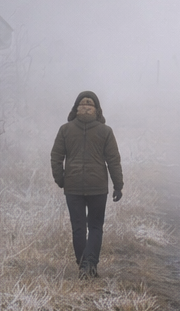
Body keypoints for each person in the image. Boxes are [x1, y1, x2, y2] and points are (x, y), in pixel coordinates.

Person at [49, 90, 124, 278]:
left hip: (72, 186)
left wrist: (61, 180)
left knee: (79, 227)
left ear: (76, 108)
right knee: (96, 226)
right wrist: (118, 185)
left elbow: (56, 157)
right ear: (97, 110)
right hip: (98, 187)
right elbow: (113, 160)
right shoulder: (105, 131)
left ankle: (83, 265)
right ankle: (90, 265)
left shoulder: (65, 130)